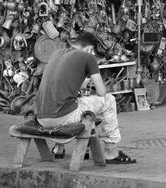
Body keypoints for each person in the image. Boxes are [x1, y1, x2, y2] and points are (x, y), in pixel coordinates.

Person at [35, 32, 136, 164]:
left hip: (41, 117)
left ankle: (59, 148)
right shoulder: (88, 57)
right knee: (109, 100)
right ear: (90, 49)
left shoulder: (56, 54)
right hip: (62, 119)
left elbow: (67, 85)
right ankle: (110, 151)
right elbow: (101, 92)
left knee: (65, 99)